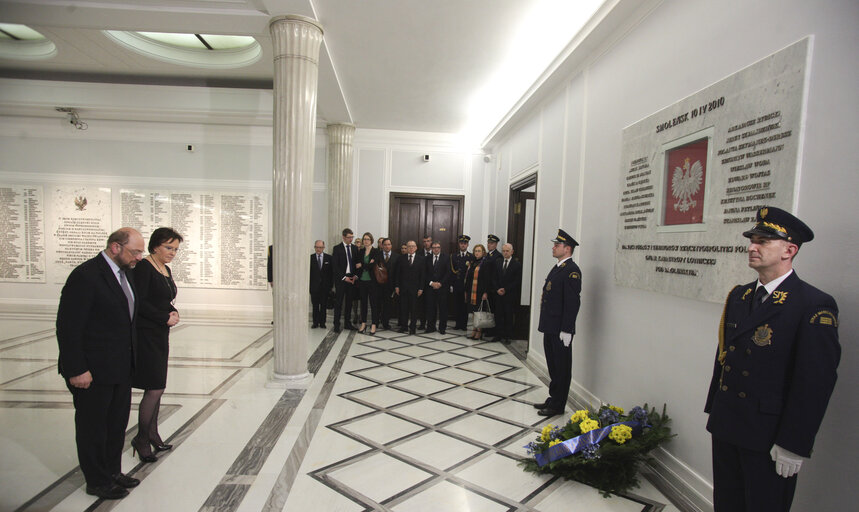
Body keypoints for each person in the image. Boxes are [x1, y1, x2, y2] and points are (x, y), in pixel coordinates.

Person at [704, 206, 840, 512]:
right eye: (752, 239)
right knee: (727, 502)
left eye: (763, 241)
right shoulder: (740, 296)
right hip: (729, 423)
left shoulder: (812, 304)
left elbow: (815, 382)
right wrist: (716, 407)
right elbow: (725, 356)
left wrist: (794, 443)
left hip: (769, 435)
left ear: (789, 250)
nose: (752, 247)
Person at [56, 227, 144, 500]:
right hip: (92, 370)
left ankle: (112, 471)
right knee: (93, 426)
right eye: (135, 251)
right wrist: (76, 369)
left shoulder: (125, 274)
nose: (139, 257)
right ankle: (96, 480)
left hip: (119, 367)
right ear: (115, 247)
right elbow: (68, 327)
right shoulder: (86, 276)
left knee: (116, 424)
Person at [130, 227, 182, 463]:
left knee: (158, 384)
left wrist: (172, 311)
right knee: (155, 387)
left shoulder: (164, 268)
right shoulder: (144, 268)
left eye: (175, 249)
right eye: (168, 248)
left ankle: (152, 433)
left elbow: (164, 299)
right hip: (146, 334)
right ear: (155, 246)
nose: (172, 253)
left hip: (160, 334)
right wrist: (163, 317)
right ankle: (141, 437)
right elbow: (138, 303)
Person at [534, 229, 581, 417]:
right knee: (553, 365)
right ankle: (554, 398)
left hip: (561, 329)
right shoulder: (558, 267)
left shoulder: (572, 271)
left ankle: (558, 405)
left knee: (562, 367)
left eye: (557, 245)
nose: (553, 247)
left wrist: (567, 329)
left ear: (567, 248)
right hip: (550, 326)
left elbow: (572, 302)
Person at [492, 243, 522, 343]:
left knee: (508, 315)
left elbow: (517, 281)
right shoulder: (498, 262)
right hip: (498, 294)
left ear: (512, 252)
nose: (505, 253)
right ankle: (498, 334)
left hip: (509, 295)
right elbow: (494, 278)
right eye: (503, 251)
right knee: (498, 315)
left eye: (507, 251)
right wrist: (497, 289)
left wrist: (505, 289)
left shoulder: (516, 264)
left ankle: (508, 336)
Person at [331, 228, 360, 332]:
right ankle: (337, 324)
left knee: (349, 303)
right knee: (339, 303)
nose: (351, 239)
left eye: (352, 237)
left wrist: (355, 276)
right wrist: (344, 277)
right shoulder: (337, 248)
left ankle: (348, 323)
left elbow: (357, 264)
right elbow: (335, 266)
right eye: (349, 237)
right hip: (342, 279)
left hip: (352, 279)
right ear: (343, 237)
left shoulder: (355, 248)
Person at [463, 244, 494, 340]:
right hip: (471, 292)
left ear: (483, 252)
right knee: (472, 311)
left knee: (479, 312)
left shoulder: (486, 263)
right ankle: (474, 330)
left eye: (479, 251)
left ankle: (479, 331)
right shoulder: (472, 263)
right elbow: (468, 278)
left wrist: (485, 292)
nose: (477, 253)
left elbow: (487, 279)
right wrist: (466, 291)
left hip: (480, 292)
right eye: (475, 251)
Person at [396, 240, 425, 334]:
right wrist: (397, 286)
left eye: (413, 246)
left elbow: (423, 275)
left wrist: (421, 288)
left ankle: (412, 327)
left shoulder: (421, 259)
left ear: (416, 248)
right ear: (406, 248)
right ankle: (404, 327)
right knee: (403, 309)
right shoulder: (401, 258)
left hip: (415, 289)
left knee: (414, 309)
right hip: (403, 289)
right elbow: (397, 274)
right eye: (409, 246)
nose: (411, 248)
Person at [355, 232, 381, 334]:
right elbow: (357, 265)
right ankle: (363, 324)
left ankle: (374, 325)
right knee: (363, 304)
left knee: (374, 304)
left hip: (373, 282)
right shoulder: (360, 251)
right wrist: (366, 264)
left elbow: (372, 266)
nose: (365, 241)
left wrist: (362, 265)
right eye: (364, 239)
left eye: (368, 239)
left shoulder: (376, 252)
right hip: (362, 281)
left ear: (371, 241)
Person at [425, 241, 451, 334]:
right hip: (430, 288)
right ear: (431, 249)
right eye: (434, 247)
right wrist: (431, 283)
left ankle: (442, 328)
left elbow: (448, 273)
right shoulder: (427, 258)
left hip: (442, 288)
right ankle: (430, 327)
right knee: (430, 308)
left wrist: (440, 283)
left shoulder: (446, 258)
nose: (436, 249)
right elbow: (425, 273)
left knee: (443, 308)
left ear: (440, 248)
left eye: (438, 247)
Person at [450, 235, 474, 331]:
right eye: (461, 243)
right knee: (456, 305)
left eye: (465, 243)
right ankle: (457, 323)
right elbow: (451, 271)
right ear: (459, 244)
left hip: (466, 286)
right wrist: (451, 284)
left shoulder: (471, 257)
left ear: (467, 245)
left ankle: (464, 324)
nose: (463, 245)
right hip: (456, 285)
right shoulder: (453, 256)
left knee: (465, 306)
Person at [309, 240, 333, 328]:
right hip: (314, 287)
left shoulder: (329, 258)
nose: (318, 249)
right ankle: (315, 322)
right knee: (315, 306)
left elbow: (331, 273)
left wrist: (331, 286)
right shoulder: (310, 258)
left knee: (323, 306)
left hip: (325, 287)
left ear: (323, 247)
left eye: (320, 247)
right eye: (317, 247)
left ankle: (322, 322)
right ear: (314, 247)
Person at [378, 238, 400, 330]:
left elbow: (398, 272)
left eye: (389, 244)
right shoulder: (377, 255)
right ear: (382, 246)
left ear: (391, 245)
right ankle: (376, 321)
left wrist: (396, 286)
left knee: (388, 305)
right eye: (385, 244)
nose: (387, 246)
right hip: (379, 285)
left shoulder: (397, 256)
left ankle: (385, 323)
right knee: (378, 304)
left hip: (391, 285)